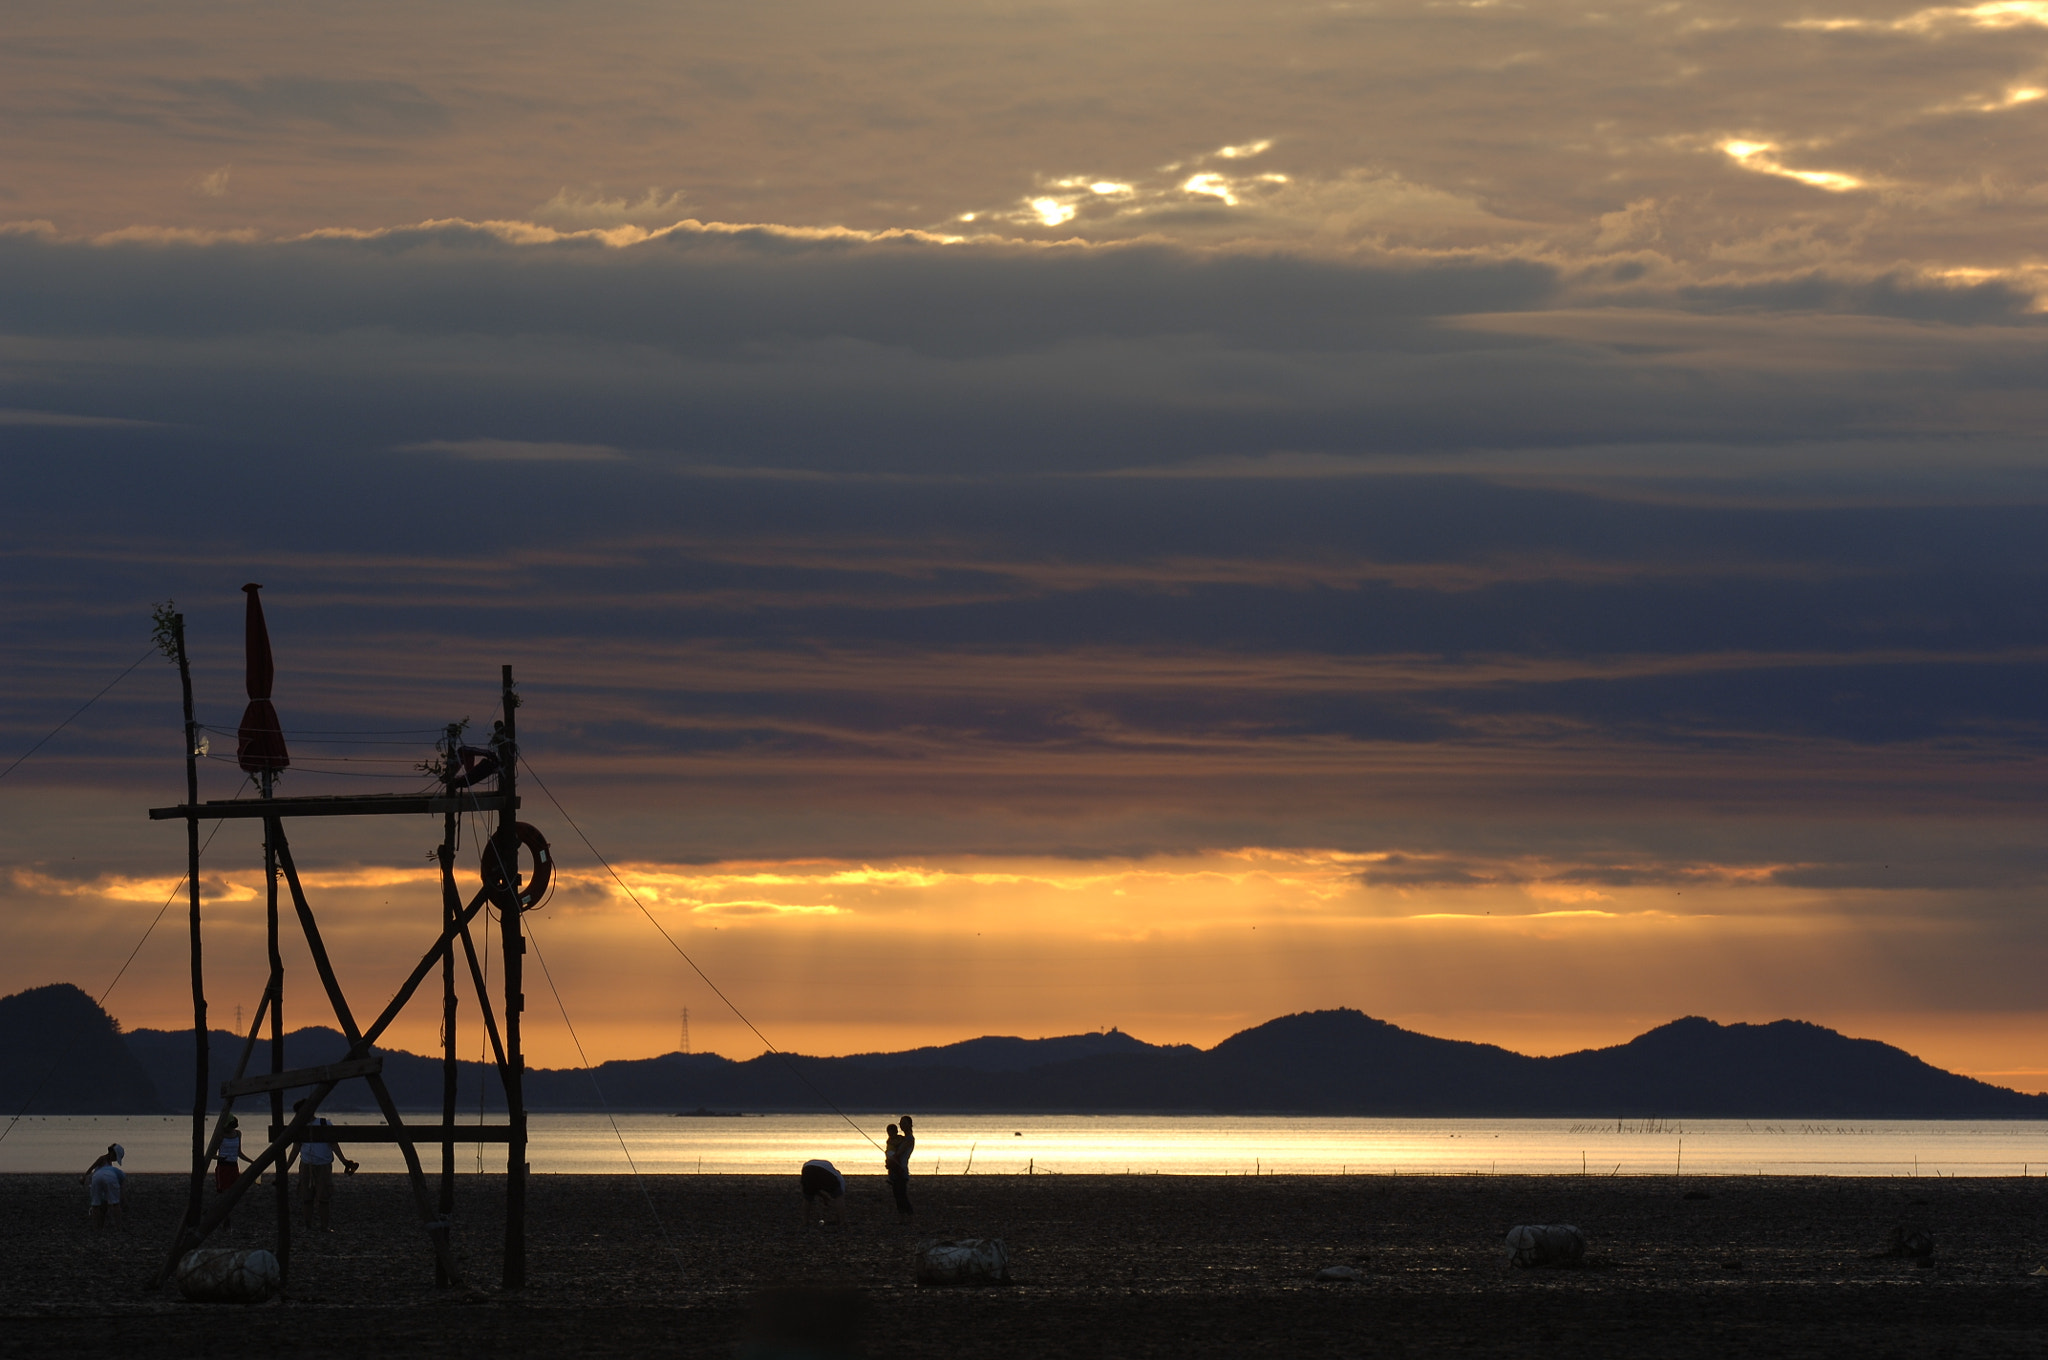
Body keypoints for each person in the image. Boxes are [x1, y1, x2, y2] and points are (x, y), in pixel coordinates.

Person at [292, 1099, 360, 1229]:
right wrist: (286, 1167)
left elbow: (333, 1143)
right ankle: (308, 1226)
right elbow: (295, 1149)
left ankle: (324, 1226)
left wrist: (344, 1160)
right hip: (306, 1164)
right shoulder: (300, 1127)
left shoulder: (324, 1123)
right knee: (306, 1197)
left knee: (324, 1197)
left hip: (323, 1165)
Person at [215, 1115, 253, 1227]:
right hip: (223, 1166)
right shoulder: (220, 1135)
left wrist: (250, 1161)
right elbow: (212, 1154)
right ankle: (225, 1217)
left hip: (233, 1166)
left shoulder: (238, 1134)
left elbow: (239, 1152)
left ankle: (226, 1214)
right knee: (224, 1192)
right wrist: (219, 1158)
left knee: (233, 1192)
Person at [80, 1143, 125, 1229]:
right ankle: (98, 1225)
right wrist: (84, 1178)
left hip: (102, 1183)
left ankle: (100, 1225)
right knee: (98, 1204)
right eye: (115, 1157)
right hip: (97, 1181)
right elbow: (91, 1168)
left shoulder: (110, 1163)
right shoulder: (102, 1158)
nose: (115, 1160)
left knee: (103, 1206)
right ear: (112, 1153)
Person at [799, 1157, 845, 1228]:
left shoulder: (829, 1167)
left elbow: (812, 1187)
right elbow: (839, 1195)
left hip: (807, 1168)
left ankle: (805, 1221)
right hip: (821, 1171)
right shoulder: (838, 1177)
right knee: (838, 1197)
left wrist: (823, 1197)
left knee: (807, 1199)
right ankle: (842, 1221)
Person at [884, 1118, 915, 1221]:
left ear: (910, 1124)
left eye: (904, 1123)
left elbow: (898, 1153)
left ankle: (908, 1216)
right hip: (895, 1169)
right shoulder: (900, 1139)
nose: (902, 1125)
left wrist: (891, 1155)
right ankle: (903, 1217)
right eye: (901, 1123)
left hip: (901, 1170)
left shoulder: (909, 1139)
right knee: (897, 1194)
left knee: (901, 1195)